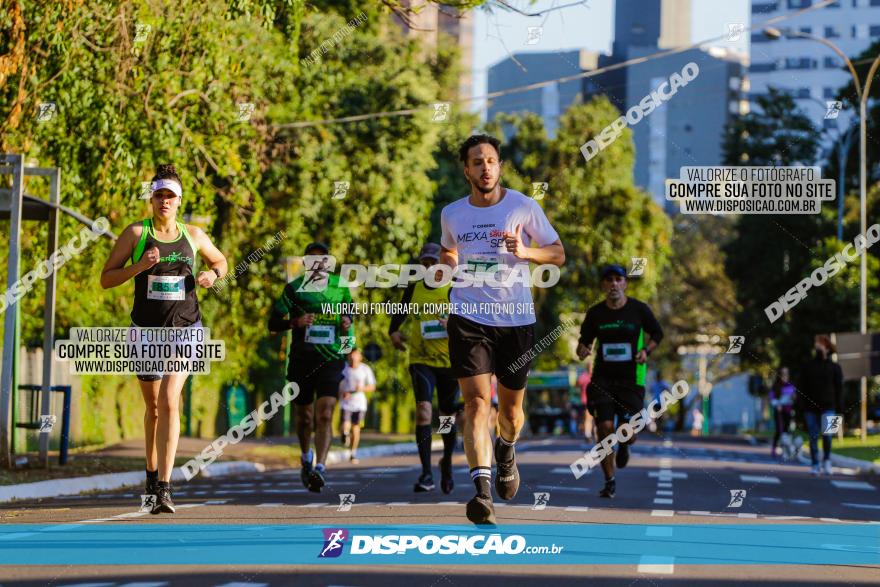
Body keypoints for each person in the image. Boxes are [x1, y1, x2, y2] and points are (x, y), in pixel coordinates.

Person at [440, 134, 565, 524]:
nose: (485, 168)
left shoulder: (524, 207)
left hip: (515, 321)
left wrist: (527, 253)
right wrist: (446, 263)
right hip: (469, 317)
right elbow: (448, 248)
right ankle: (482, 492)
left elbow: (558, 253)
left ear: (500, 166)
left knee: (510, 413)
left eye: (491, 160)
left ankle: (506, 449)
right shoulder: (452, 213)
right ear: (467, 170)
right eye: (477, 162)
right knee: (476, 404)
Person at [101, 164, 228, 514]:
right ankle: (151, 473)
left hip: (186, 331)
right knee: (154, 407)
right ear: (151, 198)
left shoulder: (194, 235)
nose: (165, 202)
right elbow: (106, 279)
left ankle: (166, 489)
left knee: (172, 398)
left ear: (179, 200)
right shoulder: (135, 233)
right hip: (145, 332)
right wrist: (139, 267)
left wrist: (211, 274)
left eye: (170, 196)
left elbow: (221, 261)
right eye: (159, 195)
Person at [268, 242, 355, 492]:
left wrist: (347, 324)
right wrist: (295, 322)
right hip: (302, 360)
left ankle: (321, 467)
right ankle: (306, 458)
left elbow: (350, 314)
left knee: (325, 413)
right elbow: (273, 323)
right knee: (305, 417)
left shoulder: (340, 286)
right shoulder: (294, 289)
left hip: (331, 358)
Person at [576, 264, 663, 498]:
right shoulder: (595, 313)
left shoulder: (639, 310)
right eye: (609, 280)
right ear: (603, 285)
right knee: (604, 428)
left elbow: (658, 333)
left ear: (625, 283)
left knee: (629, 431)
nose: (613, 284)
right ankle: (609, 480)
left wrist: (646, 351)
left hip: (631, 379)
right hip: (603, 379)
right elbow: (584, 342)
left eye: (618, 279)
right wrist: (582, 350)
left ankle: (624, 444)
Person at [388, 243, 459, 493]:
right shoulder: (415, 288)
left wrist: (452, 322)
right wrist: (394, 333)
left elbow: (470, 320)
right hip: (421, 360)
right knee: (423, 412)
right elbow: (398, 315)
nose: (429, 268)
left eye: (433, 263)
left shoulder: (454, 288)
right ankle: (427, 473)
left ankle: (447, 462)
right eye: (425, 263)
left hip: (451, 363)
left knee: (447, 418)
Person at [797, 335, 843, 476]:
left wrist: (840, 409)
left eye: (821, 344)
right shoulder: (808, 366)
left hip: (830, 407)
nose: (818, 347)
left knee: (828, 436)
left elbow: (839, 389)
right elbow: (801, 387)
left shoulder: (835, 367)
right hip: (810, 409)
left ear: (828, 348)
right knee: (813, 437)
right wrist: (801, 407)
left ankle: (827, 461)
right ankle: (815, 464)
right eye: (816, 344)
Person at [339, 349, 375, 464]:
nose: (353, 357)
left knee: (356, 428)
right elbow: (337, 383)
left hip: (360, 403)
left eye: (356, 355)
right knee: (345, 422)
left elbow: (372, 386)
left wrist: (362, 389)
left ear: (360, 357)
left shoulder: (365, 369)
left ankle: (353, 453)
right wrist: (341, 392)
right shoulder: (343, 368)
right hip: (346, 402)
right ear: (348, 356)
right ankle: (344, 434)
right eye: (351, 355)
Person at [769, 367, 796, 459]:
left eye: (786, 373)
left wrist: (793, 398)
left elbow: (793, 397)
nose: (785, 376)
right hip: (779, 410)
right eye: (783, 374)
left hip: (788, 410)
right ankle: (774, 447)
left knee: (786, 430)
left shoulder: (791, 385)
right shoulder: (775, 386)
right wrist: (777, 404)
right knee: (778, 429)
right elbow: (772, 398)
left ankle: (785, 449)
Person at [577, 364, 594, 441]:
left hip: (598, 400)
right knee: (588, 417)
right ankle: (588, 434)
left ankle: (592, 432)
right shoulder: (584, 376)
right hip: (587, 400)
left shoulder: (597, 376)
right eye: (590, 367)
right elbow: (577, 384)